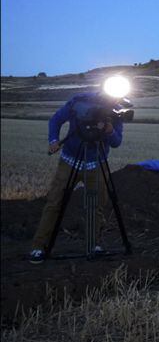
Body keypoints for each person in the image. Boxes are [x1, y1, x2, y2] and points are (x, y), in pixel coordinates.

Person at [29, 90, 124, 263]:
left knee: (96, 206)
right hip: (69, 161)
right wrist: (53, 140)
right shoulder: (79, 101)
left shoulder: (116, 112)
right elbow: (56, 120)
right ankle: (38, 247)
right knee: (54, 203)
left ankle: (93, 245)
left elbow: (117, 142)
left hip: (96, 163)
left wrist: (109, 131)